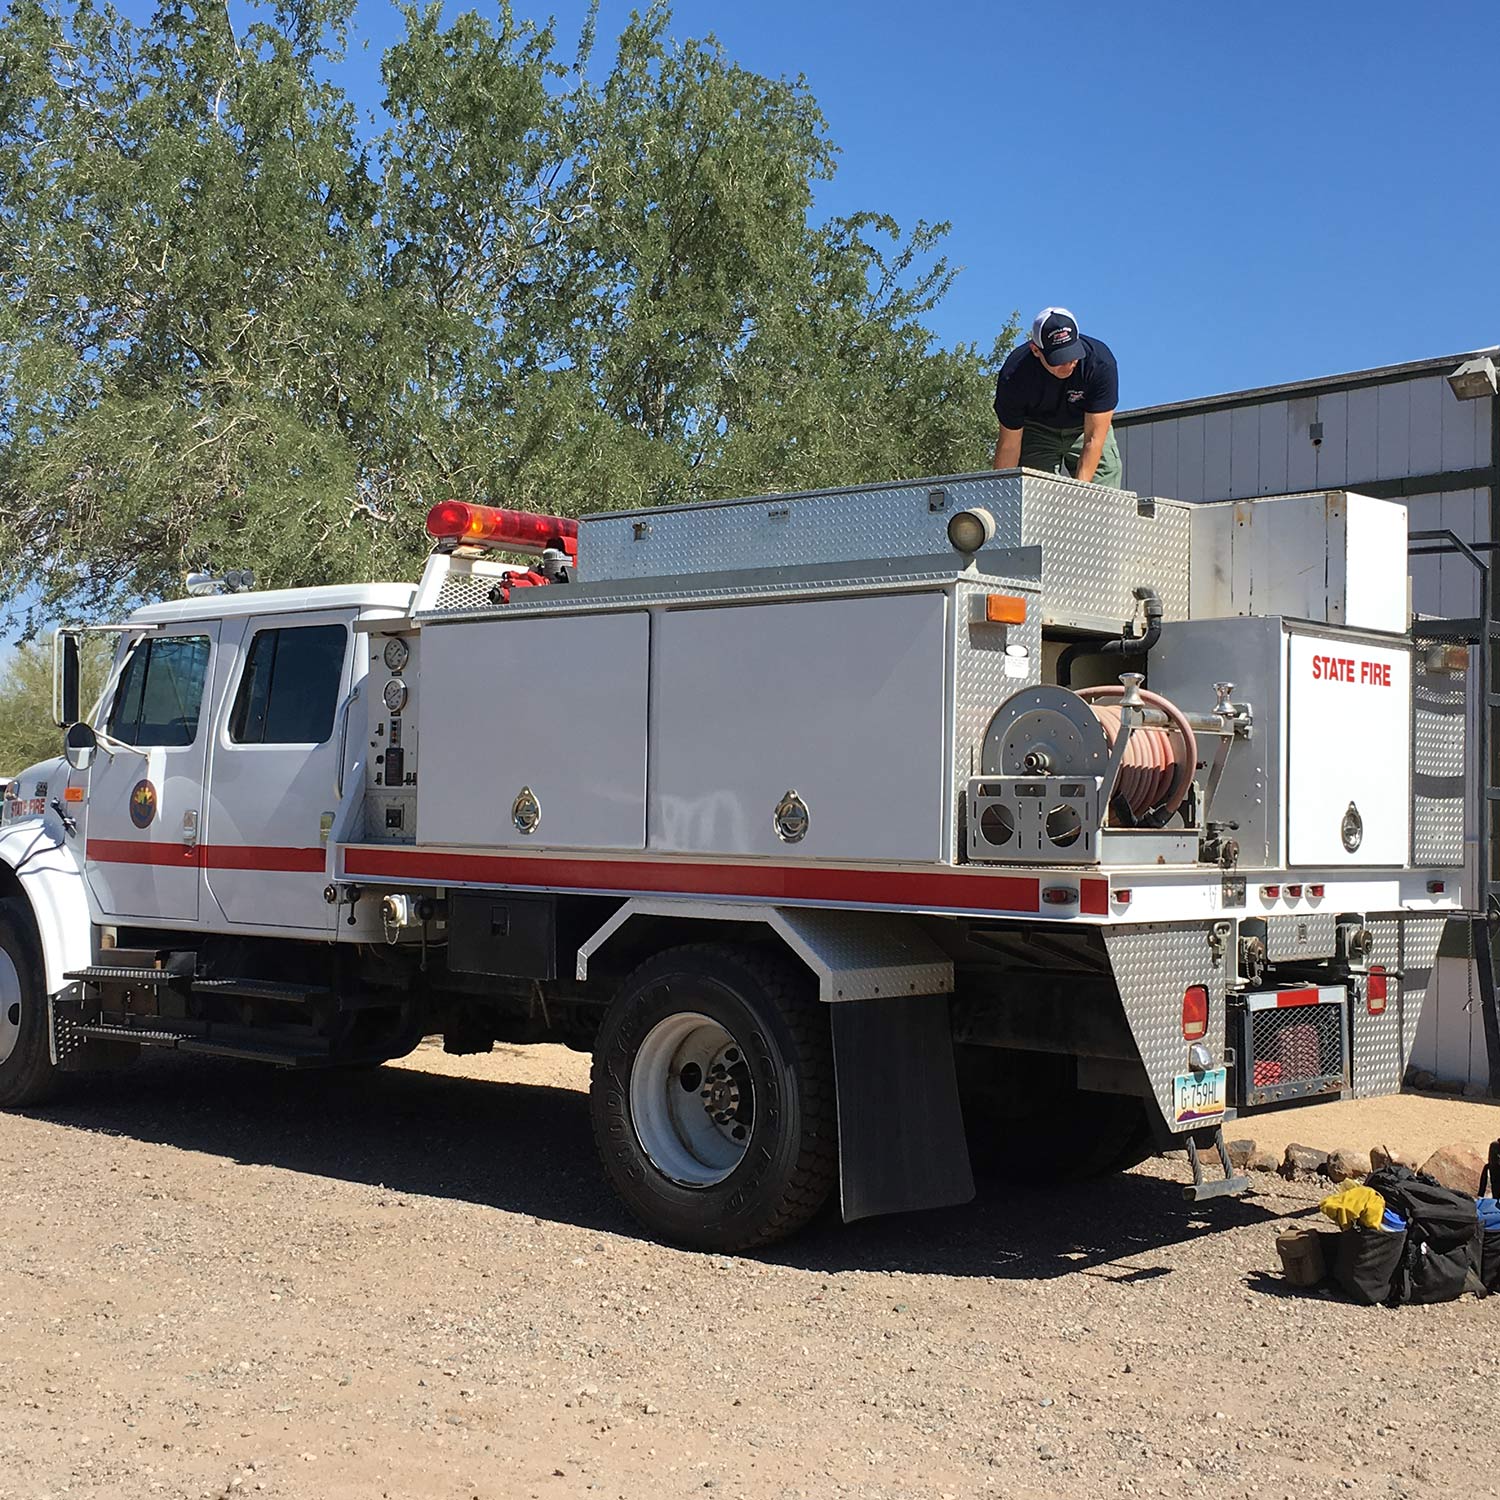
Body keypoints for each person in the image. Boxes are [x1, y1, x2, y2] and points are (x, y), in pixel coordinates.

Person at [992, 307, 1122, 487]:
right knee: (1033, 494)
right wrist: (1000, 495)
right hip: (1038, 431)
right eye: (1058, 359)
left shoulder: (1100, 363)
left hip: (1084, 427)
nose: (1068, 364)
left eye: (1072, 355)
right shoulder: (1014, 376)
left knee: (1103, 487)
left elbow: (1094, 439)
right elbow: (1009, 445)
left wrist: (1081, 492)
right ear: (1036, 350)